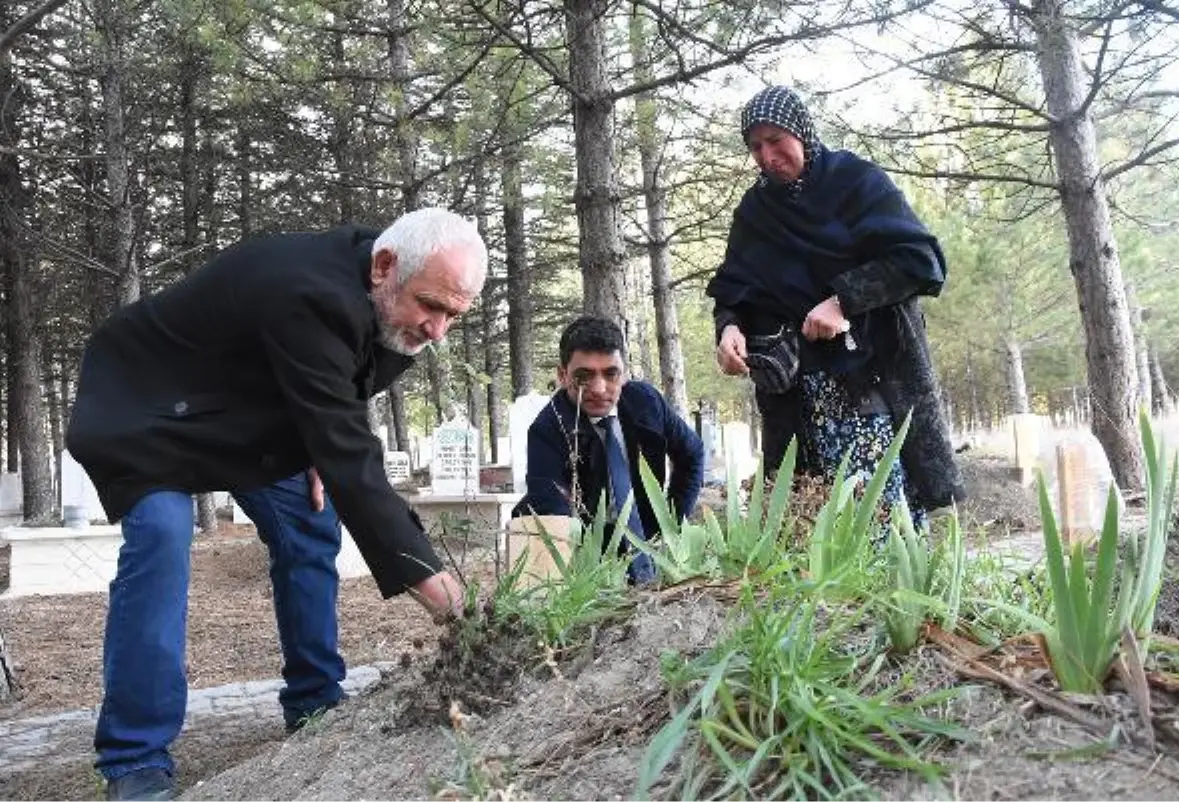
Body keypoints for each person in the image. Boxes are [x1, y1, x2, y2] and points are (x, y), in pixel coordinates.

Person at [65, 208, 488, 801]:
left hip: (244, 412)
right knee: (163, 537)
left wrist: (314, 437)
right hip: (148, 404)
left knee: (311, 522)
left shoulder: (396, 290)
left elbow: (341, 384)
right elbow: (353, 457)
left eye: (453, 315)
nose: (438, 329)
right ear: (384, 267)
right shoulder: (310, 290)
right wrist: (443, 595)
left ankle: (315, 702)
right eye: (432, 307)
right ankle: (134, 757)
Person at [706, 85, 964, 528]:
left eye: (775, 141)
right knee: (806, 527)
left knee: (879, 523)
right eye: (755, 146)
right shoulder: (755, 211)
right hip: (792, 397)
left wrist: (843, 301)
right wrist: (729, 329)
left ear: (801, 133)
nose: (766, 157)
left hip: (869, 381)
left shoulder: (856, 182)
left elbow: (920, 261)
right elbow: (736, 289)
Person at [512, 317, 703, 583]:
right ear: (562, 375)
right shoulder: (548, 430)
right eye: (584, 376)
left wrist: (670, 522)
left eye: (611, 374)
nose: (599, 389)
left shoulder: (646, 403)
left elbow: (692, 453)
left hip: (649, 538)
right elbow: (552, 512)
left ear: (624, 372)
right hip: (588, 551)